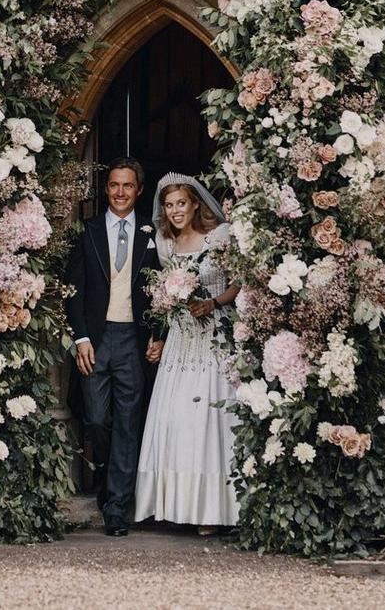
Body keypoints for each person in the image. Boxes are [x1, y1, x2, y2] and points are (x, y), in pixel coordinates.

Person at [135, 172, 239, 534]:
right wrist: (159, 336)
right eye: (169, 205)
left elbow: (237, 282)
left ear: (196, 203)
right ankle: (176, 504)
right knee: (176, 419)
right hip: (181, 340)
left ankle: (213, 510)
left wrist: (213, 301)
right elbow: (165, 300)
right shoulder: (165, 243)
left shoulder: (220, 236)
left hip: (214, 336)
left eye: (181, 203)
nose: (175, 211)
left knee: (210, 421)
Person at [65, 157, 163, 537]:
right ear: (106, 190)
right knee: (96, 419)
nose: (120, 193)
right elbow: (72, 290)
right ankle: (110, 476)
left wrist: (157, 334)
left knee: (127, 422)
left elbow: (161, 292)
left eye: (127, 186)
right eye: (113, 186)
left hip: (132, 340)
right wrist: (81, 337)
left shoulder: (152, 233)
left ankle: (117, 507)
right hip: (96, 337)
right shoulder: (86, 231)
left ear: (138, 190)